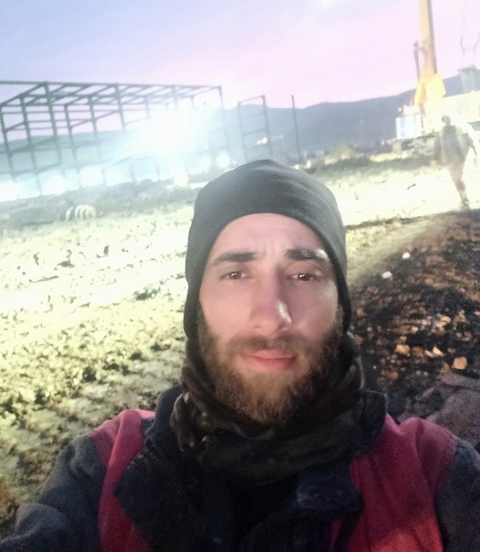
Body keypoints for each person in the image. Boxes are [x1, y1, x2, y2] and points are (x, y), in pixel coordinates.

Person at [2, 159, 480, 552]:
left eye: (304, 275)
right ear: (196, 306)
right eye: (235, 275)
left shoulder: (432, 474)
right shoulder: (102, 471)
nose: (271, 317)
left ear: (341, 303)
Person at [433, 114, 478, 209]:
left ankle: (465, 199)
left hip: (461, 159)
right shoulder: (441, 133)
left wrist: (475, 151)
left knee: (459, 179)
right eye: (445, 119)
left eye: (448, 118)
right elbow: (437, 146)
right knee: (456, 180)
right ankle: (464, 198)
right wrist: (434, 159)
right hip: (450, 160)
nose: (447, 121)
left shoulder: (459, 129)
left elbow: (469, 141)